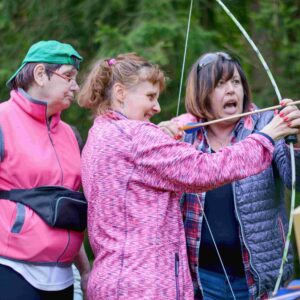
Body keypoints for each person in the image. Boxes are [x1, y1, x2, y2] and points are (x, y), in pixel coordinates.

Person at [77, 52, 300, 300]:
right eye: (150, 96)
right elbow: (206, 170)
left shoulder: (100, 133)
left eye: (236, 82)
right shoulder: (146, 135)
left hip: (120, 279)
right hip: (144, 285)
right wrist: (267, 137)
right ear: (120, 93)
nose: (157, 107)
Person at [159, 51, 300, 299]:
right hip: (201, 277)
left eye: (235, 82)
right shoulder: (185, 133)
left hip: (259, 277)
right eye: (220, 84)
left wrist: (296, 140)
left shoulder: (268, 125)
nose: (231, 90)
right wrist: (158, 135)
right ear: (202, 93)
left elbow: (296, 179)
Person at [0, 40, 90, 300]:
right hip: (11, 270)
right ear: (40, 74)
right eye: (69, 76)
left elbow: (68, 209)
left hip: (62, 278)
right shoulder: (3, 121)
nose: (75, 86)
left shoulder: (70, 136)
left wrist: (84, 272)